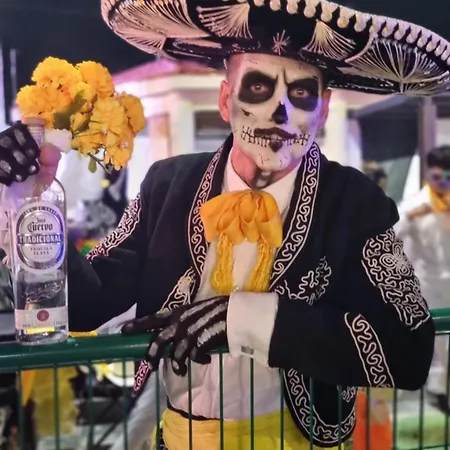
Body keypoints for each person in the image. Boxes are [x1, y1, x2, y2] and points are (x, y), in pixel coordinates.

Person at [0, 0, 447, 447]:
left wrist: (246, 320)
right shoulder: (168, 185)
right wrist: (28, 203)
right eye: (259, 86)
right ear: (225, 99)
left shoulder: (352, 201)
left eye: (301, 93)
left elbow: (409, 348)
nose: (280, 112)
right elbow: (85, 305)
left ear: (324, 109)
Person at [396, 145, 450, 414]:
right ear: (429, 173)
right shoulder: (414, 206)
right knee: (441, 346)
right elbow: (389, 236)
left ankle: (441, 390)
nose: (443, 183)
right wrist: (409, 217)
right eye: (438, 176)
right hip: (428, 285)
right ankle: (441, 393)